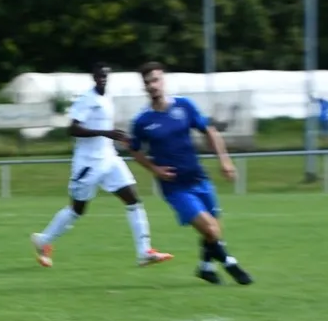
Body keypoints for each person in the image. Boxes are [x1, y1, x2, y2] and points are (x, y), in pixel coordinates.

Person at [29, 62, 173, 269]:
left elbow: (104, 127)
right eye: (99, 76)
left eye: (105, 76)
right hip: (88, 164)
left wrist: (118, 135)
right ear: (93, 77)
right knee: (77, 210)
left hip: (109, 158)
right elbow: (73, 129)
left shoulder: (107, 97)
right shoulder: (87, 99)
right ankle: (44, 240)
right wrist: (106, 133)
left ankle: (144, 252)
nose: (102, 79)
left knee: (133, 200)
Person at [127, 62, 253, 286]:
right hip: (174, 187)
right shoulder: (142, 121)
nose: (152, 85)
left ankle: (205, 267)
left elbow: (209, 132)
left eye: (155, 80)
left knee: (214, 230)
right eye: (147, 82)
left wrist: (224, 160)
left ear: (163, 80)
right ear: (144, 87)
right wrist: (154, 169)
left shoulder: (184, 106)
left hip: (198, 177)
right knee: (210, 228)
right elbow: (134, 149)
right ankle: (230, 263)